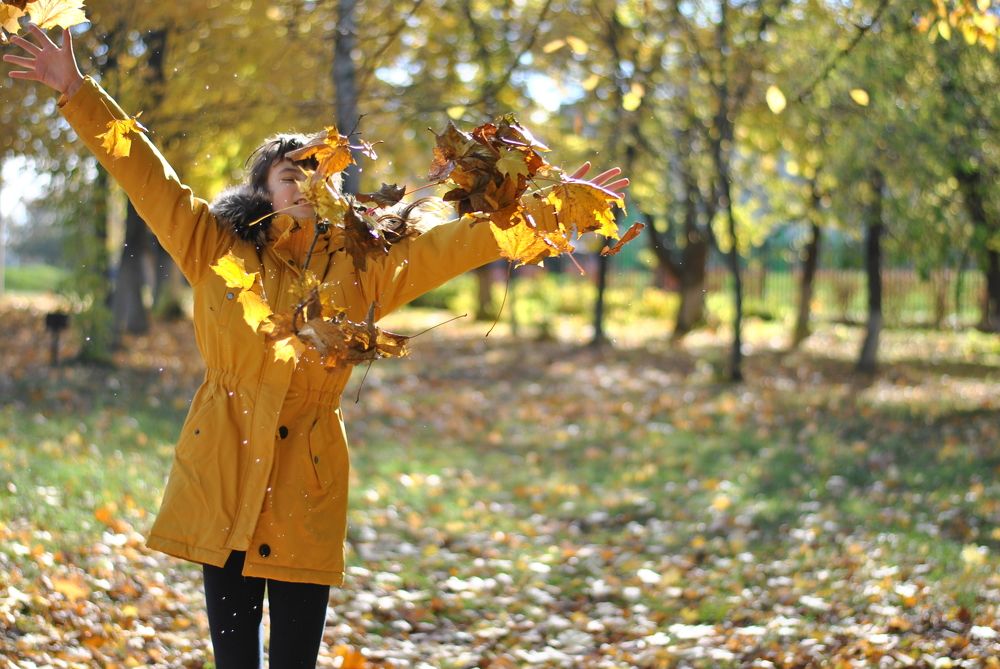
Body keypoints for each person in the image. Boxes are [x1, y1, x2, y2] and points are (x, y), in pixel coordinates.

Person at [4, 24, 629, 668]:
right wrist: (79, 91)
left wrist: (553, 210)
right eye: (288, 173)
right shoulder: (214, 247)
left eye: (317, 171)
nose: (304, 182)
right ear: (263, 189)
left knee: (296, 659)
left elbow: (460, 243)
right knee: (235, 659)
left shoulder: (367, 268)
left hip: (309, 476)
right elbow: (145, 172)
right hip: (222, 463)